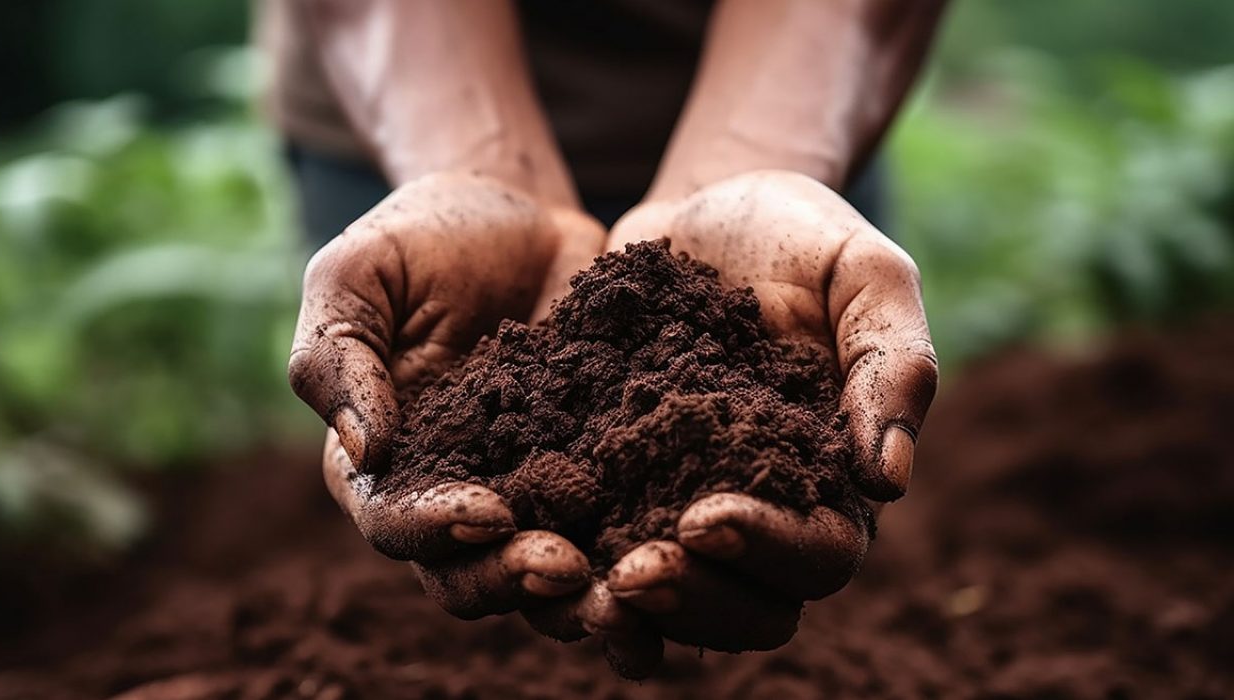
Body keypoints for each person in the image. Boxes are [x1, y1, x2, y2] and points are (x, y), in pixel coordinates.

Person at [267, 0, 943, 677]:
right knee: (412, 605)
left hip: (800, 86)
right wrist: (479, 170)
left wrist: (757, 164)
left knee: (795, 582)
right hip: (410, 83)